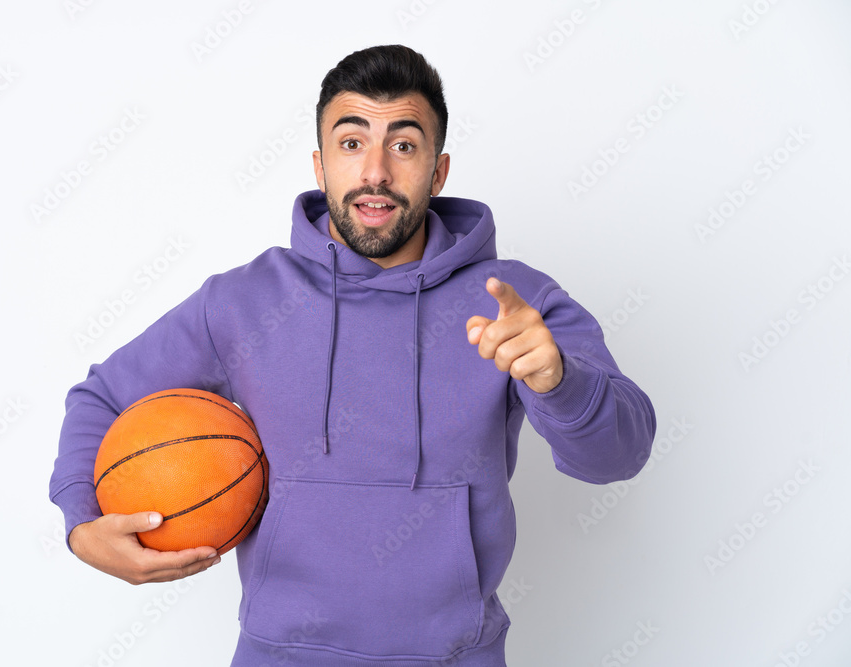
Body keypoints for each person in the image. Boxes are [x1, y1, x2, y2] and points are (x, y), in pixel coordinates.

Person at [50, 44, 656, 666]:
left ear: (438, 172)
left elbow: (620, 456)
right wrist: (81, 522)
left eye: (403, 145)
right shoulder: (243, 302)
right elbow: (102, 397)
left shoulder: (516, 304)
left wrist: (560, 383)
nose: (375, 172)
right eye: (351, 142)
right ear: (320, 165)